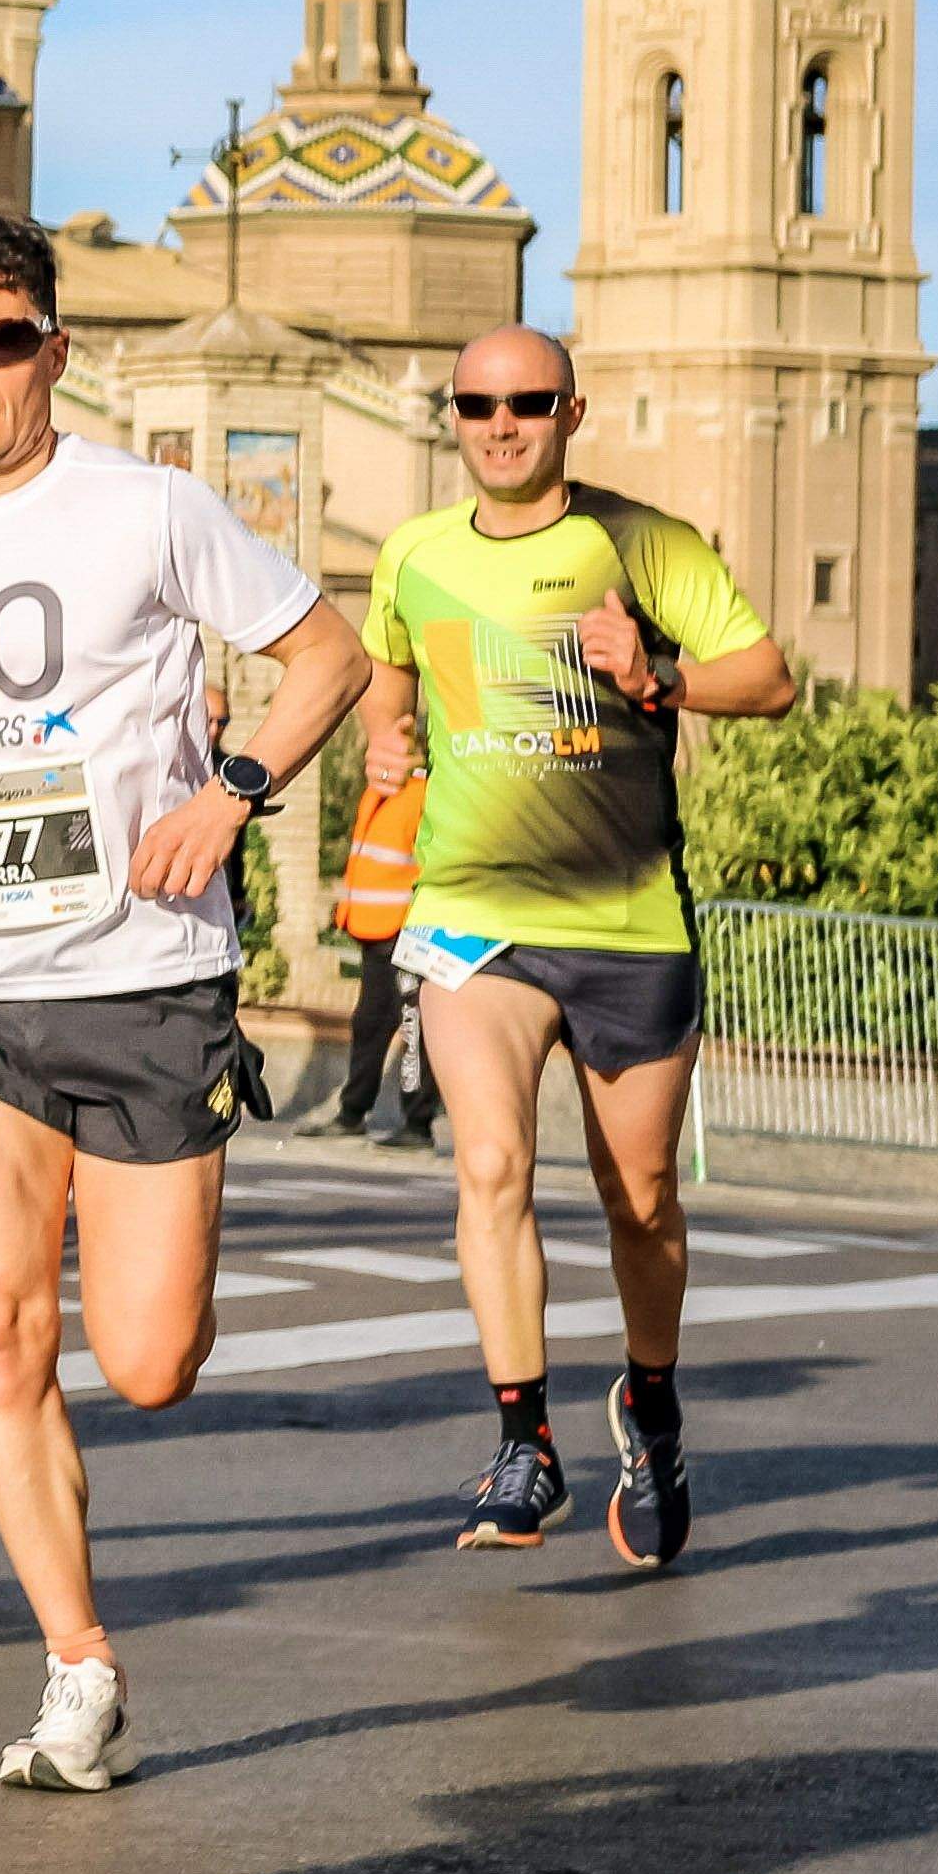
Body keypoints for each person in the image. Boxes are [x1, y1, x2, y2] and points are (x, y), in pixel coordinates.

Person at [0, 204, 366, 1796]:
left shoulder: (150, 508)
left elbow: (330, 657)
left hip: (146, 978)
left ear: (53, 349)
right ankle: (79, 1666)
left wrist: (234, 792)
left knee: (148, 1361)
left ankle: (162, 1283)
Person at [361, 326, 792, 1565]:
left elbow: (769, 677)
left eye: (528, 402)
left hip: (625, 920)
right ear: (453, 415)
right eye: (477, 404)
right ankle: (525, 1442)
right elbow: (391, 681)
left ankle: (650, 1404)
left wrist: (659, 677)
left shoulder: (639, 543)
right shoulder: (413, 554)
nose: (501, 424)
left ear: (572, 411)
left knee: (640, 1198)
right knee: (491, 1162)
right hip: (474, 914)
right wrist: (386, 740)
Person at [316, 767, 440, 1151]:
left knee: (412, 1025)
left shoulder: (425, 794)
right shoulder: (380, 791)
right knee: (369, 1022)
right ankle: (352, 1112)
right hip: (375, 931)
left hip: (408, 930)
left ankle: (417, 1123)